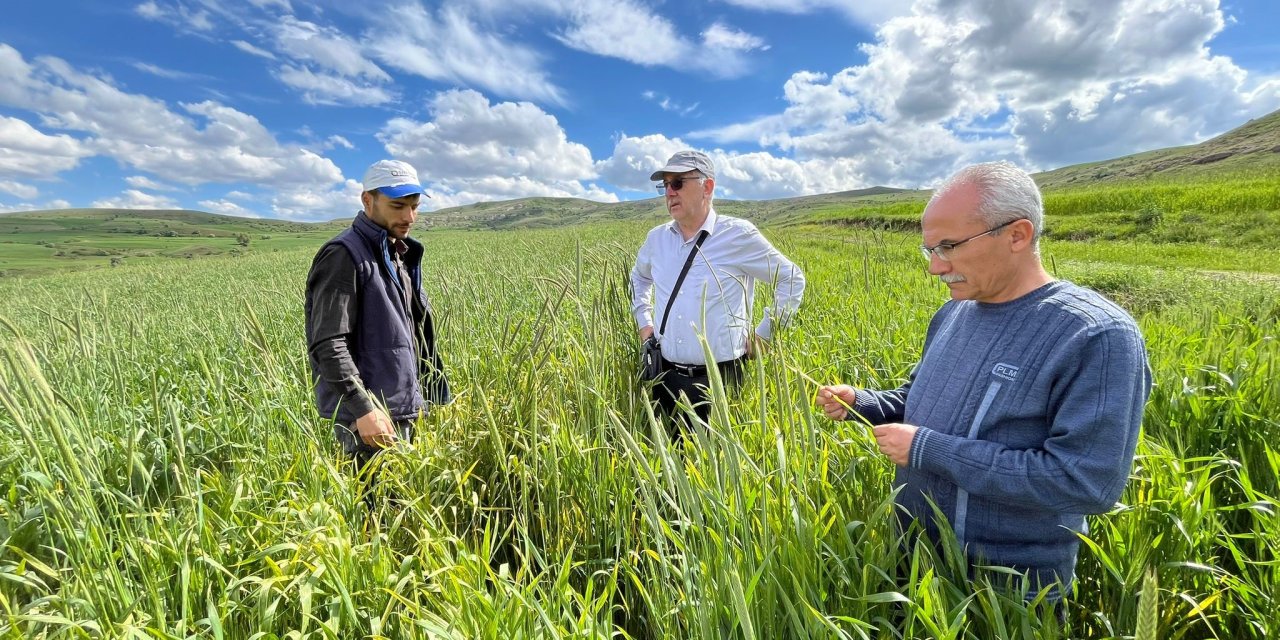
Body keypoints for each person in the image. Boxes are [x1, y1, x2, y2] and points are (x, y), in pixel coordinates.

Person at [816, 161, 1151, 602]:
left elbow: (1085, 483)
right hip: (914, 568)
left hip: (1007, 594)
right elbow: (920, 401)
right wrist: (864, 403)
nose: (935, 268)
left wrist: (925, 449)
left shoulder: (1095, 336)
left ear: (1017, 235)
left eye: (949, 247)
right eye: (929, 250)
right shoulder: (954, 312)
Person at [631, 150, 805, 431]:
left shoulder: (738, 235)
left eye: (677, 182)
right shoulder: (657, 239)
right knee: (668, 459)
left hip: (721, 380)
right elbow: (638, 278)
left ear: (707, 187)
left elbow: (792, 279)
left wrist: (765, 334)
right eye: (665, 184)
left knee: (719, 468)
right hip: (665, 375)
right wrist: (644, 324)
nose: (669, 192)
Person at [305, 159, 450, 475]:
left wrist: (430, 394)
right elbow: (328, 344)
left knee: (402, 504)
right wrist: (364, 409)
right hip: (370, 419)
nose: (409, 217)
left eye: (415, 206)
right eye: (398, 206)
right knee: (376, 513)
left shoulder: (396, 253)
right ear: (367, 200)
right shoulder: (344, 255)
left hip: (400, 407)